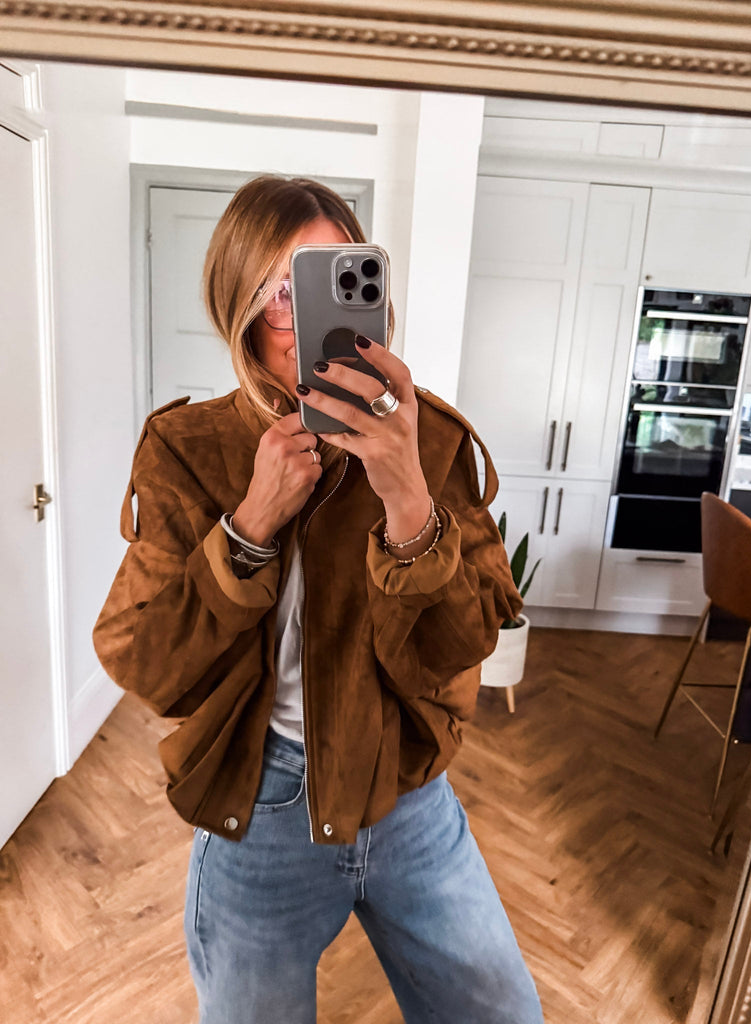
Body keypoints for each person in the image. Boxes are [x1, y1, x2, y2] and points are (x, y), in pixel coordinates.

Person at [93, 175, 544, 1024]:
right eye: (280, 292)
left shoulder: (432, 441)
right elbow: (143, 660)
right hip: (261, 803)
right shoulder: (187, 449)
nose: (305, 320)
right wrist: (250, 524)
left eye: (334, 281)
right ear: (237, 307)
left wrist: (410, 500)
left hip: (408, 793)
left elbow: (466, 643)